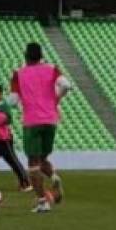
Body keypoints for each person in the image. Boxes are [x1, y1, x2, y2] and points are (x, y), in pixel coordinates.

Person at [9, 42, 71, 213]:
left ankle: (42, 201)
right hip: (51, 120)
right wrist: (55, 99)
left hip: (32, 121)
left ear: (26, 55)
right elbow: (66, 85)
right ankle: (55, 178)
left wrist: (6, 104)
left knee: (33, 163)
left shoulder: (18, 74)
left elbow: (13, 101)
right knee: (42, 158)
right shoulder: (52, 68)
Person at [0, 84, 30, 191]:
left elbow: (8, 119)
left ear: (1, 94)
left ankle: (26, 183)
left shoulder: (3, 106)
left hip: (3, 139)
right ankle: (25, 182)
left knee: (13, 161)